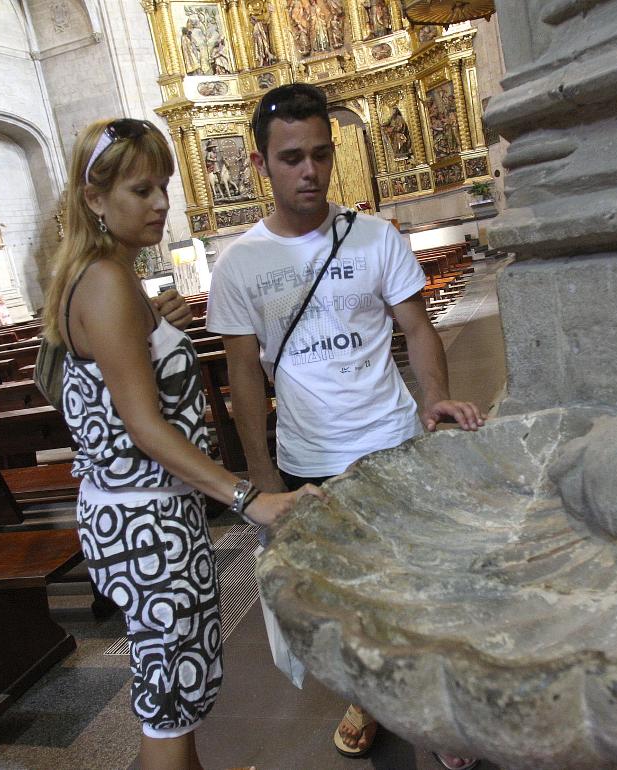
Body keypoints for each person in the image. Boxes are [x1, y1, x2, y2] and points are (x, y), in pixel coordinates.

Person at [206, 83, 484, 769]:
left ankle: (433, 707)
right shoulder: (240, 265)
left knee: (416, 578)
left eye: (321, 155)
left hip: (392, 439)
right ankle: (368, 695)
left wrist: (436, 398)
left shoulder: (375, 237)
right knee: (345, 592)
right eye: (292, 157)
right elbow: (243, 378)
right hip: (310, 455)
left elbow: (416, 329)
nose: (310, 171)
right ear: (259, 164)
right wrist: (263, 480)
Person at [40, 116, 322, 770]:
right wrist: (248, 497)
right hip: (150, 525)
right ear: (95, 199)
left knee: (169, 693)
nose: (162, 202)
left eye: (163, 185)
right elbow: (143, 425)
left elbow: (102, 377)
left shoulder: (99, 275)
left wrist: (155, 326)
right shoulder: (107, 281)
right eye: (141, 189)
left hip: (132, 516)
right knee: (169, 700)